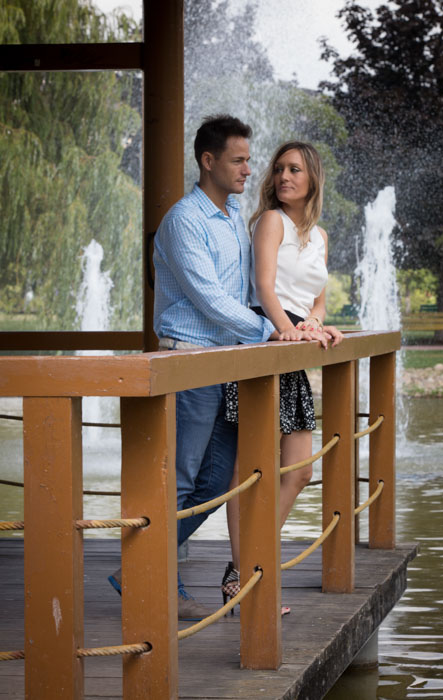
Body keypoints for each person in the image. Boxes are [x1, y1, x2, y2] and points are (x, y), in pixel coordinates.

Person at [108, 116, 317, 621]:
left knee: (218, 482)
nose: (249, 170)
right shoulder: (185, 220)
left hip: (225, 364)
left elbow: (249, 290)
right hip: (189, 361)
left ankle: (137, 567)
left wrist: (297, 322)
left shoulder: (233, 215)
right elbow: (210, 299)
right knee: (182, 480)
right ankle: (147, 573)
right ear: (208, 161)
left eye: (248, 160)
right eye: (238, 160)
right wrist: (270, 330)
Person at [221, 141, 344, 610]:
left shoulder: (320, 236)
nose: (284, 177)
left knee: (301, 469)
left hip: (292, 344)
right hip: (266, 342)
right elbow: (264, 286)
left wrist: (314, 324)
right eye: (279, 169)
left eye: (294, 169)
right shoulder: (271, 221)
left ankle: (250, 564)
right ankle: (247, 573)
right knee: (248, 468)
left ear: (312, 178)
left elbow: (318, 299)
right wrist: (286, 328)